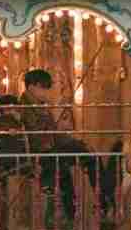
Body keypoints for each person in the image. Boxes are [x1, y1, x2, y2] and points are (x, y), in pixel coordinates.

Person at [19, 70, 98, 222]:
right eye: (43, 88)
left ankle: (74, 214)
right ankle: (100, 201)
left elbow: (55, 134)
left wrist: (73, 141)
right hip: (40, 153)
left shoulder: (42, 108)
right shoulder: (23, 108)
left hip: (51, 151)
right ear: (32, 87)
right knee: (76, 156)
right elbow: (34, 134)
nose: (45, 92)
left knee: (76, 161)